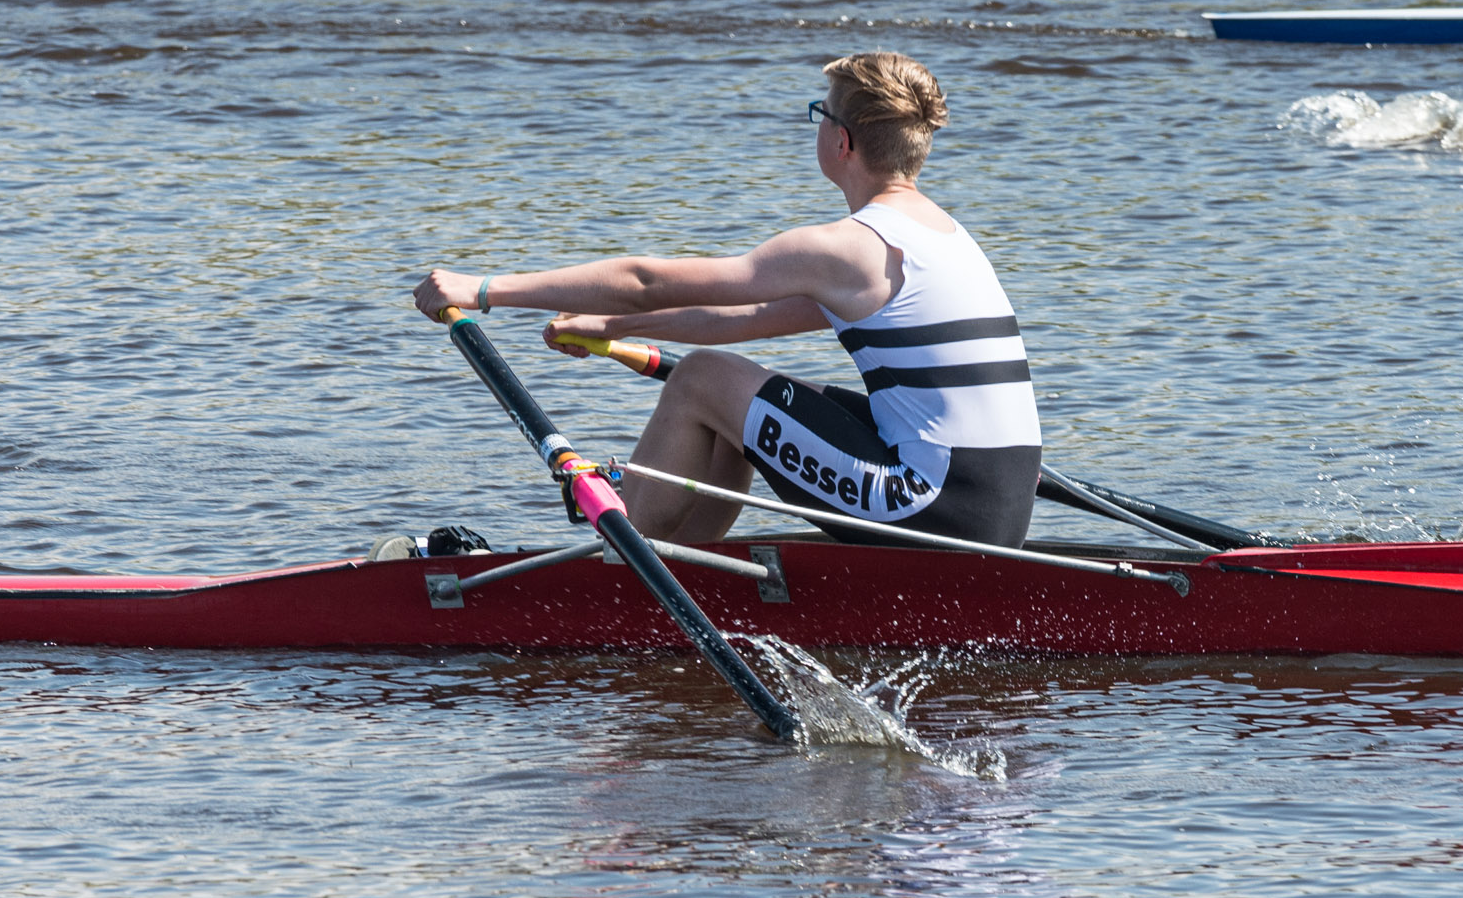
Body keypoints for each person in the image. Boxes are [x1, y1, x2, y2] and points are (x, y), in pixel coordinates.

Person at [412, 52, 1041, 547]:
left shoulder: (848, 246)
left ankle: (618, 570)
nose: (817, 126)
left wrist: (487, 290)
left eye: (821, 114)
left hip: (930, 506)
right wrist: (606, 322)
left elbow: (646, 280)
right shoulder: (944, 236)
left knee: (702, 379)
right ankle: (692, 564)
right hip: (994, 510)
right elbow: (748, 319)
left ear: (842, 142)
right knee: (735, 391)